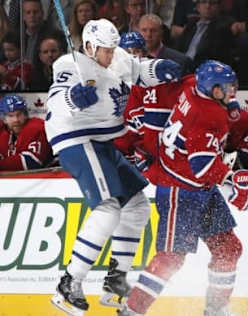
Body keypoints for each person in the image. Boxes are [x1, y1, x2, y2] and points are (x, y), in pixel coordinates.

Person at [46, 18, 182, 315]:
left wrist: (158, 69)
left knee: (137, 207)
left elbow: (138, 71)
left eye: (113, 49)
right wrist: (73, 98)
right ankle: (69, 283)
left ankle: (115, 280)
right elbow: (56, 100)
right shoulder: (70, 64)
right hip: (76, 138)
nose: (110, 55)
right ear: (91, 46)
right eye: (105, 50)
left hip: (105, 140)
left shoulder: (117, 56)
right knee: (108, 209)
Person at [117, 60, 248, 316]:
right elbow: (202, 166)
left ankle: (215, 310)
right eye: (227, 88)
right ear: (213, 90)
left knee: (228, 248)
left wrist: (231, 103)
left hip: (197, 187)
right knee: (171, 257)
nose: (232, 91)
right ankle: (132, 312)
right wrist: (233, 179)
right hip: (180, 190)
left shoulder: (193, 86)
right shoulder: (206, 116)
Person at [174, 0, 234, 69]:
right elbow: (178, 48)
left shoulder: (222, 28)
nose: (207, 6)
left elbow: (213, 57)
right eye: (204, 2)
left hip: (201, 69)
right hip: (181, 65)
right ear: (197, 6)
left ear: (218, 7)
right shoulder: (191, 24)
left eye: (212, 3)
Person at [0, 94, 53, 171]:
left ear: (25, 114)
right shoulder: (3, 132)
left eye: (19, 114)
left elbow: (31, 162)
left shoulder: (37, 127)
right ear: (3, 118)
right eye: (10, 116)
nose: (16, 120)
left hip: (52, 179)